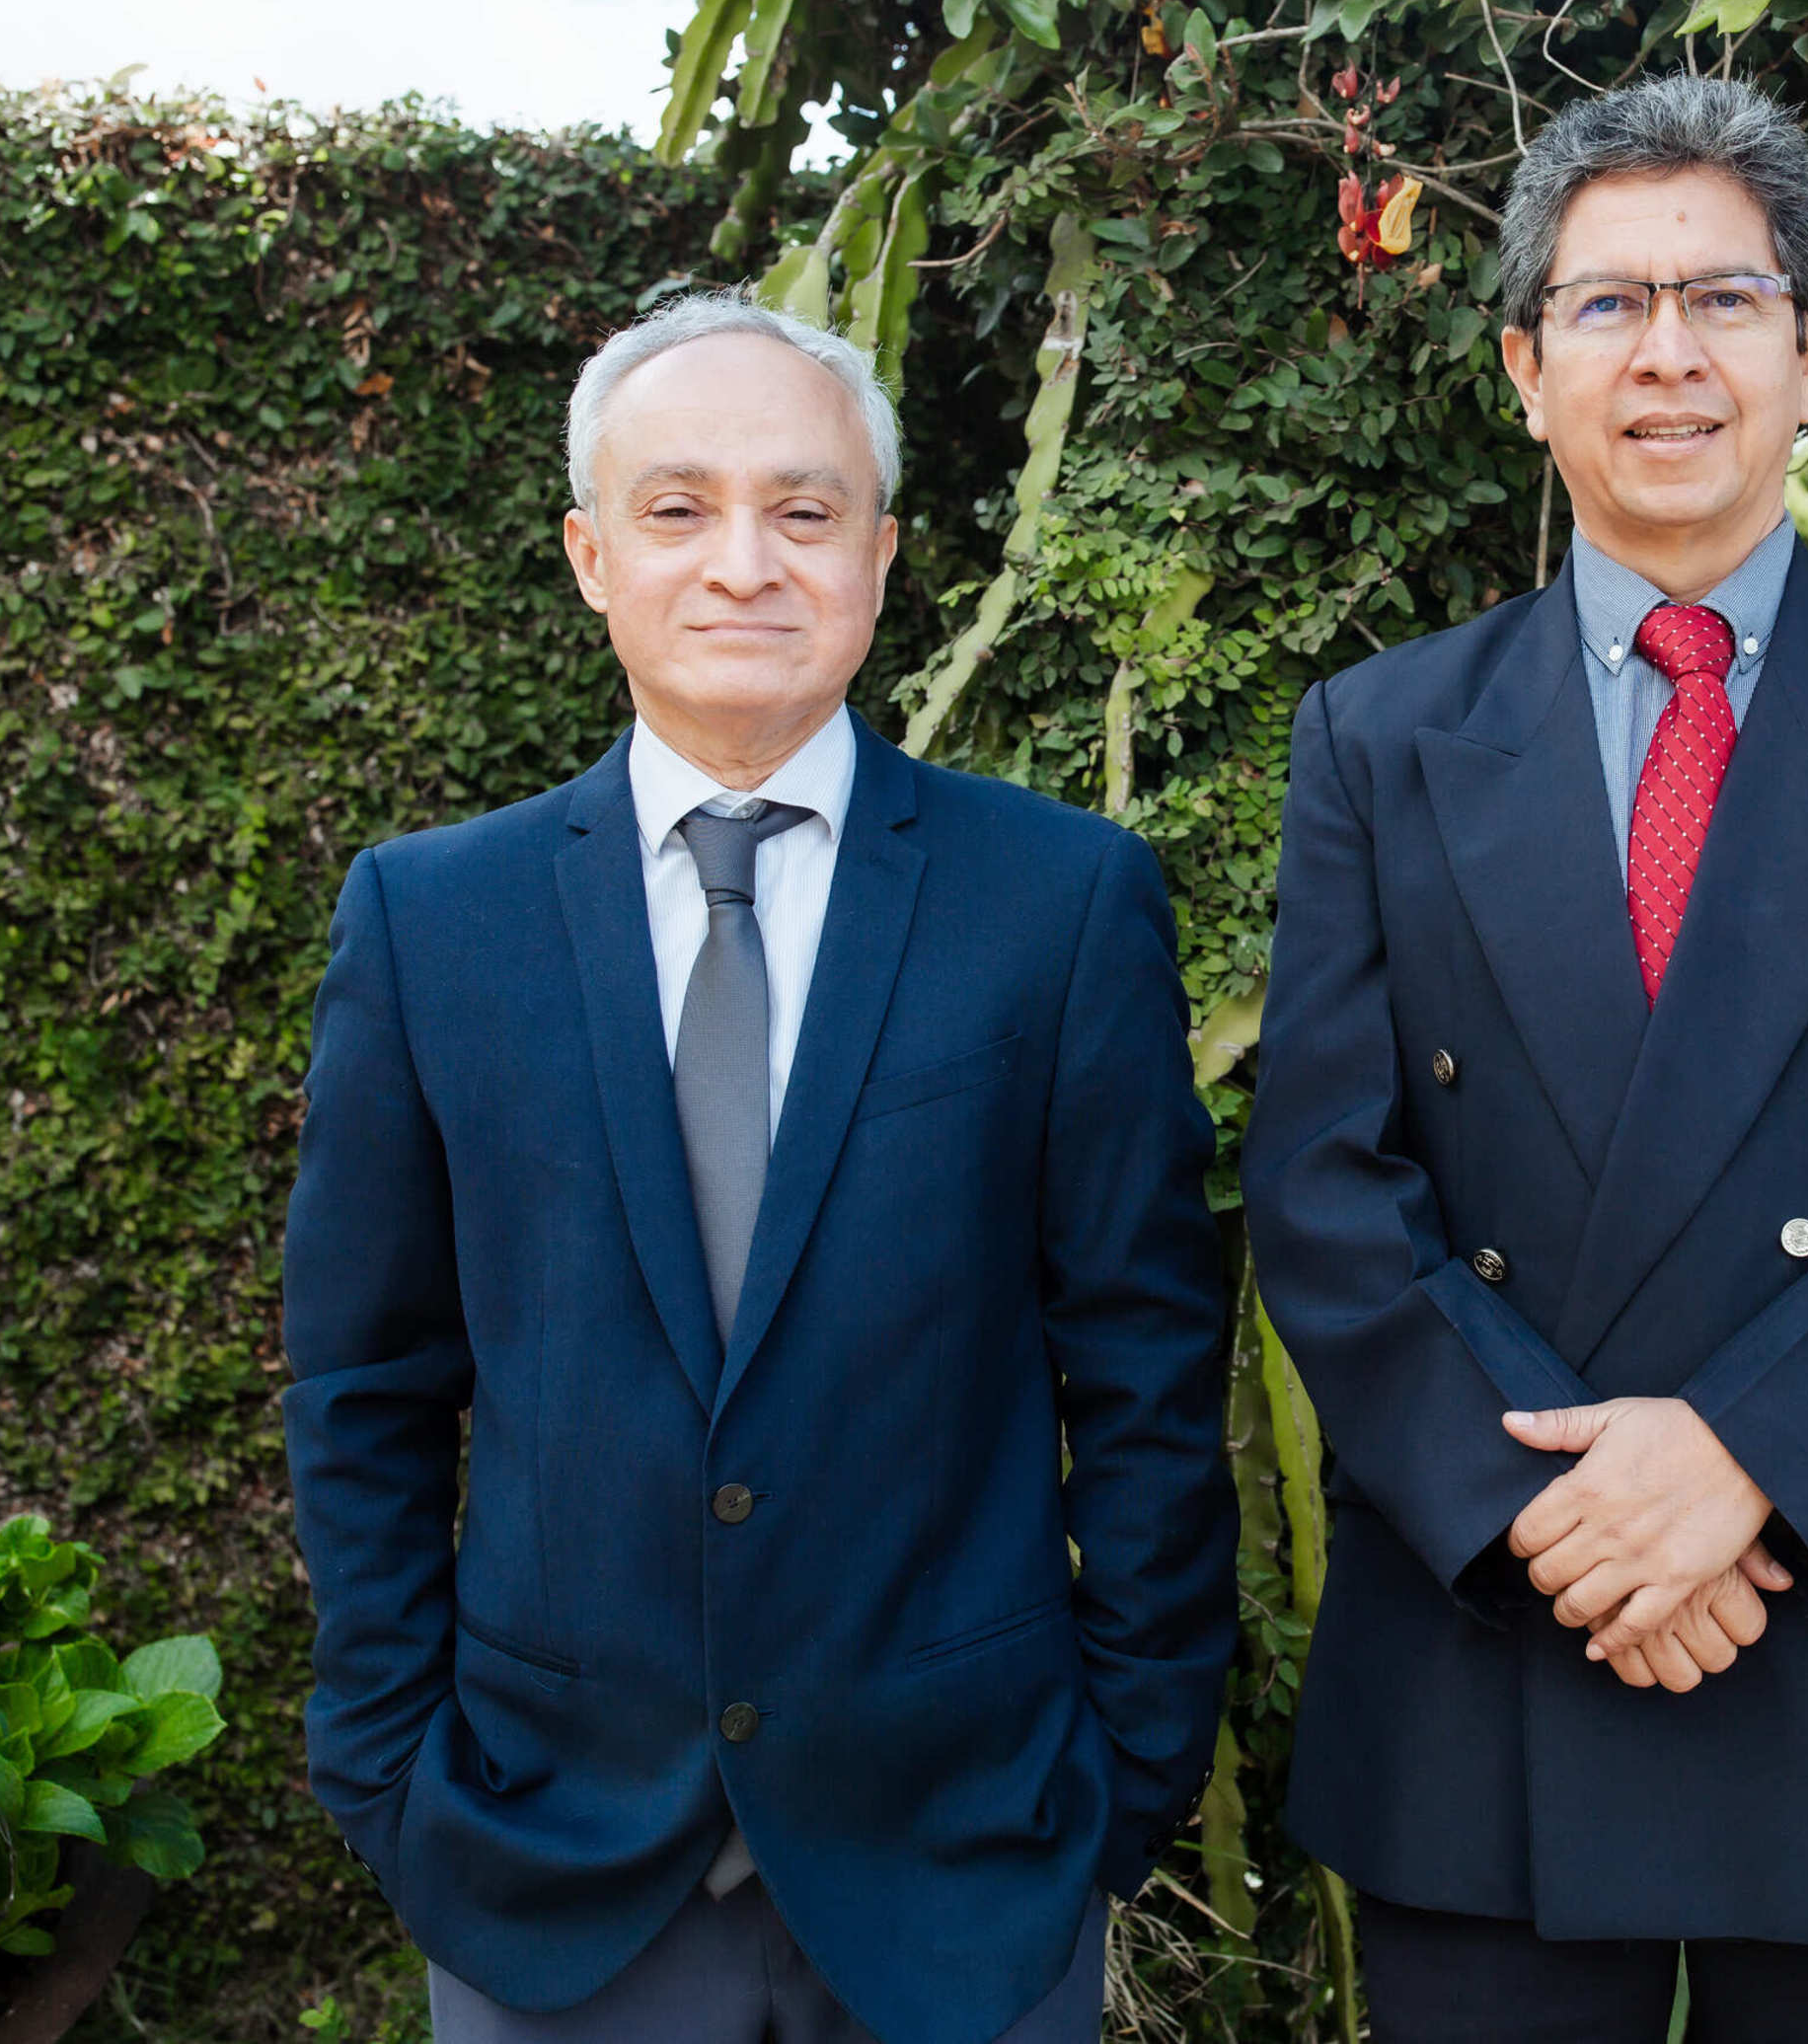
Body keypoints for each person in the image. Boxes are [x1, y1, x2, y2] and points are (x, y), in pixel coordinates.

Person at [1241, 75, 1808, 2042]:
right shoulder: (1376, 738)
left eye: (1724, 300)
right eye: (1607, 304)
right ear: (1525, 367)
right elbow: (1320, 1184)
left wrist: (1748, 1463)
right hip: (1499, 1633)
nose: (1667, 354)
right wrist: (1569, 1527)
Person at [280, 291, 1236, 2044]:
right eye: (677, 508)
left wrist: (1130, 1764)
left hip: (970, 1859)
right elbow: (365, 1384)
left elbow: (1147, 1366)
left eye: (803, 509)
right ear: (590, 557)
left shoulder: (1057, 903)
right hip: (547, 1868)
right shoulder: (432, 921)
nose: (744, 562)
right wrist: (387, 1766)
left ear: (880, 555)